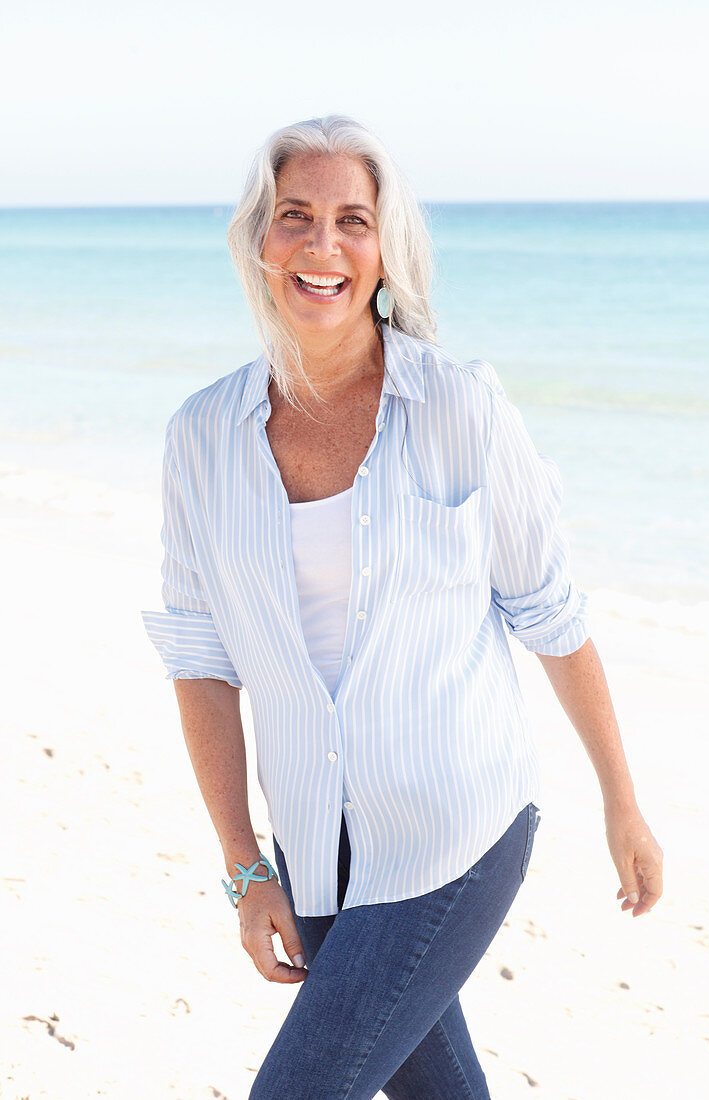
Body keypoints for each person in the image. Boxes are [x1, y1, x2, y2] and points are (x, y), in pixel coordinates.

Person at [141, 114, 664, 1099]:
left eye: (353, 219)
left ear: (386, 250)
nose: (323, 244)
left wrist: (621, 802)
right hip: (316, 838)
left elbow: (549, 612)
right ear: (260, 240)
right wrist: (246, 867)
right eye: (295, 215)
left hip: (455, 823)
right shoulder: (200, 437)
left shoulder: (462, 407)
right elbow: (200, 657)